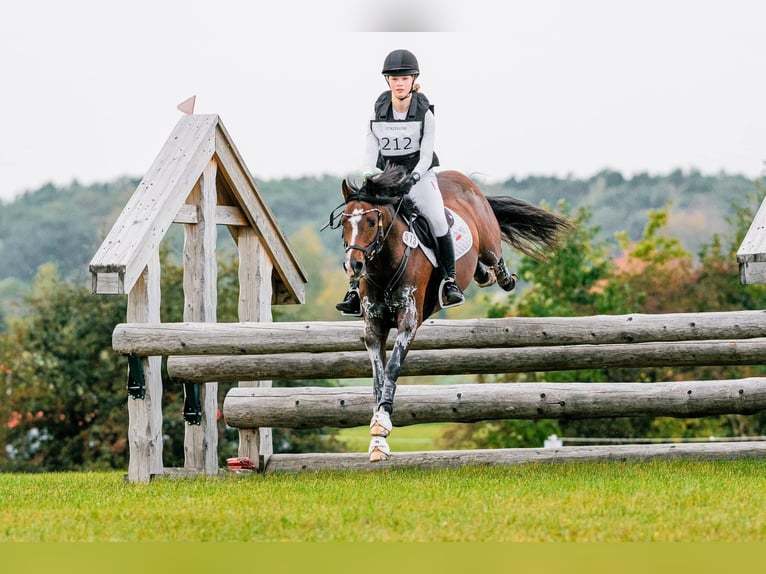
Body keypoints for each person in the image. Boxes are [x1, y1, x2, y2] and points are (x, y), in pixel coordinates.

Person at [336, 49, 465, 316]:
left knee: (437, 218)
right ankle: (353, 289)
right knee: (363, 220)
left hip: (420, 174)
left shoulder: (424, 112)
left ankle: (450, 281)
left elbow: (426, 153)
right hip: (388, 176)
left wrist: (415, 177)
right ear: (388, 81)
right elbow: (370, 149)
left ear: (412, 79)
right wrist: (370, 176)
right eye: (394, 78)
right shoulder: (379, 109)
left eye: (404, 78)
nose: (399, 82)